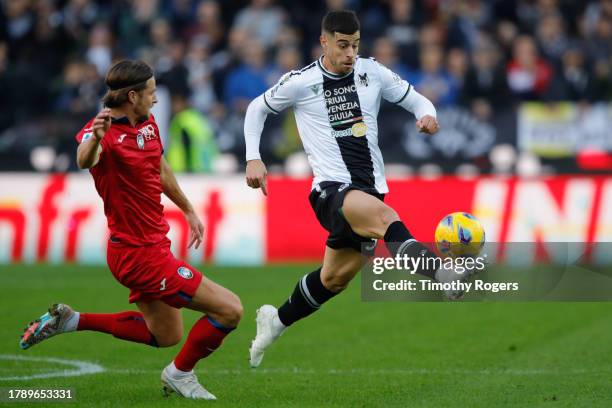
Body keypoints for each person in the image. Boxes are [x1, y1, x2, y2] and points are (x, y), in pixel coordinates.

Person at [244, 10, 469, 369]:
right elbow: (257, 108)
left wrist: (426, 116)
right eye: (343, 45)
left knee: (333, 279)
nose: (350, 53)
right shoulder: (302, 82)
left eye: (355, 45)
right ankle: (442, 273)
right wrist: (253, 158)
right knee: (386, 219)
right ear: (324, 42)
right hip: (330, 190)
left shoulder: (372, 72)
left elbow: (418, 100)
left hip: (369, 188)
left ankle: (277, 321)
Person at [18, 60, 242, 400]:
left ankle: (71, 320)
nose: (156, 99)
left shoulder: (148, 123)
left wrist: (188, 208)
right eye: (151, 93)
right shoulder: (103, 132)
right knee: (230, 309)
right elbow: (84, 159)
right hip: (139, 256)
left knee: (165, 335)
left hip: (152, 247)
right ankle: (180, 374)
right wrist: (95, 137)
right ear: (133, 95)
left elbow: (160, 167)